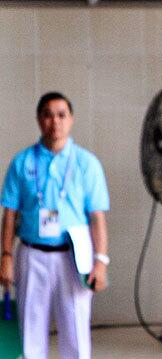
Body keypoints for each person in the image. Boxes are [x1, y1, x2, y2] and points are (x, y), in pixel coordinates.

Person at [0, 92, 110, 359]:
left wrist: (101, 261)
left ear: (71, 119)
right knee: (31, 328)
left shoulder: (86, 163)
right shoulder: (22, 162)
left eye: (61, 115)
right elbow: (10, 215)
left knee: (75, 331)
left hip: (73, 257)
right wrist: (6, 255)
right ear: (39, 119)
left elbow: (96, 218)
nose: (55, 121)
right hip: (32, 253)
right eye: (48, 115)